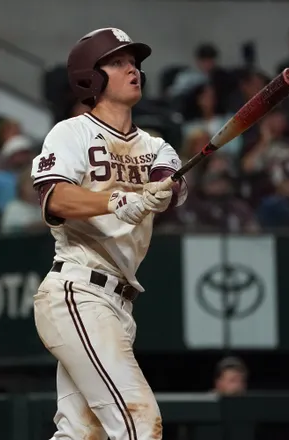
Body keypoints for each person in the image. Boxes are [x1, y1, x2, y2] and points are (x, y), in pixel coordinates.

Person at [30, 28, 187, 440]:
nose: (132, 68)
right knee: (139, 422)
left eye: (134, 62)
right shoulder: (72, 132)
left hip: (119, 304)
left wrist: (158, 191)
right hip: (78, 291)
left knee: (81, 435)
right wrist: (118, 201)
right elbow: (55, 198)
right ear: (91, 77)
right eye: (117, 62)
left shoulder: (157, 146)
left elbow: (167, 184)